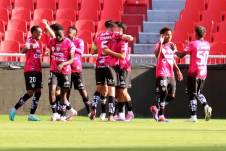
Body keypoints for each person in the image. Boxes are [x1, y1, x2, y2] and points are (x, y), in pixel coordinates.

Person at [89, 20, 133, 121]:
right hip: (110, 65)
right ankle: (111, 115)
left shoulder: (98, 36)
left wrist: (100, 49)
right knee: (111, 91)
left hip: (99, 65)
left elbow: (92, 51)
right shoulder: (114, 34)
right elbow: (129, 38)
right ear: (113, 28)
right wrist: (127, 37)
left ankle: (93, 108)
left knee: (99, 89)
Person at [176, 26, 212, 122]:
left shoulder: (193, 44)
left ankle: (193, 116)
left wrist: (174, 50)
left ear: (195, 34)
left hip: (194, 72)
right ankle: (206, 106)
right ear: (204, 34)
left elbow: (181, 55)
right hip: (203, 72)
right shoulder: (208, 44)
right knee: (198, 93)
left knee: (192, 94)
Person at [9, 26, 43, 121]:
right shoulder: (30, 40)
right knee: (30, 92)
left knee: (38, 92)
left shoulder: (38, 43)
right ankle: (14, 109)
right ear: (33, 33)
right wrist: (31, 46)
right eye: (39, 32)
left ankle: (31, 115)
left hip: (38, 70)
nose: (41, 34)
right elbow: (24, 50)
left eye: (41, 32)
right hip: (31, 69)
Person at [150, 27, 183, 122]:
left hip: (171, 73)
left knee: (171, 95)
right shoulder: (158, 45)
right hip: (162, 72)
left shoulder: (172, 45)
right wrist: (160, 43)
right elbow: (157, 55)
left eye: (170, 34)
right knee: (163, 93)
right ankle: (161, 116)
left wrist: (177, 70)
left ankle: (156, 108)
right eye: (167, 34)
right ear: (162, 35)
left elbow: (172, 59)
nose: (170, 36)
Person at [47, 24, 75, 121]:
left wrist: (63, 64)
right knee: (51, 91)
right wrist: (47, 52)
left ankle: (70, 110)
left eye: (60, 34)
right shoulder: (52, 41)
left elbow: (72, 60)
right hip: (54, 70)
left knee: (63, 96)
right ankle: (55, 113)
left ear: (63, 33)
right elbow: (49, 50)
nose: (58, 37)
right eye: (56, 35)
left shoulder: (69, 43)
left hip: (65, 72)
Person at [110, 22, 134, 121]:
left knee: (124, 91)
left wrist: (108, 52)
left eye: (118, 29)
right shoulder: (114, 40)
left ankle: (130, 112)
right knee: (119, 92)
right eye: (115, 29)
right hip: (116, 67)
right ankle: (121, 115)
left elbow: (123, 56)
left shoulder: (123, 41)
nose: (115, 31)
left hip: (124, 68)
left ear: (122, 31)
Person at [66, 26, 90, 117]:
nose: (67, 34)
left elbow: (81, 52)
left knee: (82, 90)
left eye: (69, 32)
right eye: (67, 32)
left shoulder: (79, 41)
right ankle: (66, 112)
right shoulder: (65, 42)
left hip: (76, 69)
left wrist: (72, 46)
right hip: (67, 69)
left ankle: (89, 111)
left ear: (74, 34)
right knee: (66, 91)